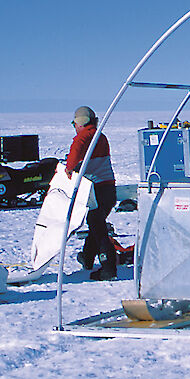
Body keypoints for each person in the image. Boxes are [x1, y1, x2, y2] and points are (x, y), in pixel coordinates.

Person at [66, 106, 118, 281]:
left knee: (98, 228)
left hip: (96, 190)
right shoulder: (100, 136)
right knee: (96, 223)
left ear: (80, 122)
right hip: (109, 189)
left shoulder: (83, 136)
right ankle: (87, 259)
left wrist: (68, 170)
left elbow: (74, 155)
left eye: (75, 123)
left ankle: (109, 268)